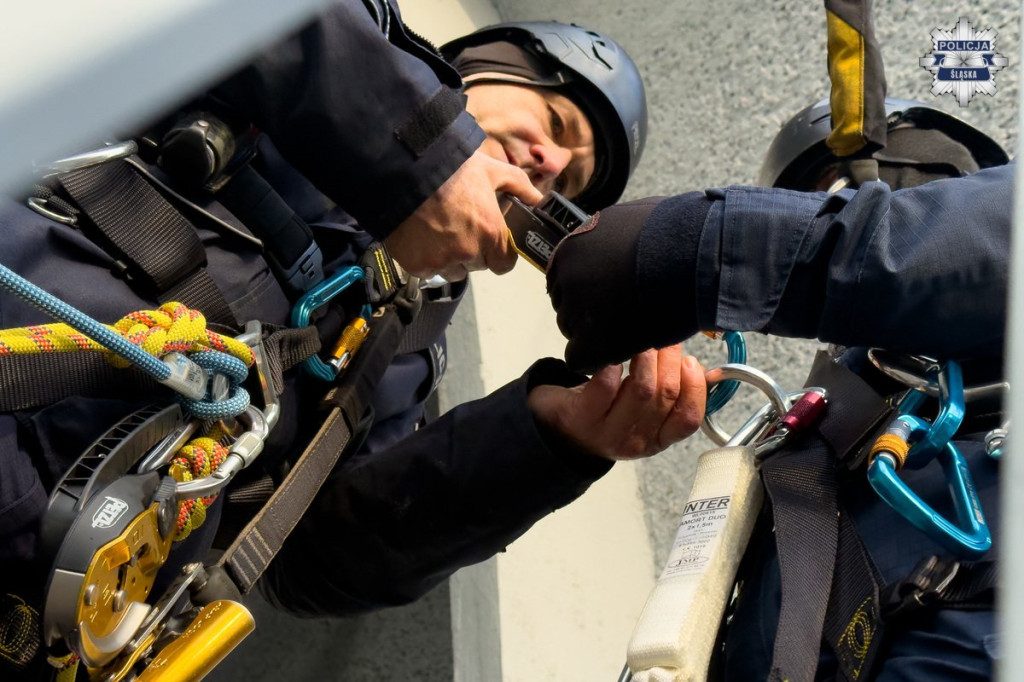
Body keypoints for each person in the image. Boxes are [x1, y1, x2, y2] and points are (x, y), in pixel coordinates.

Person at [0, 3, 704, 680]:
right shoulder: (347, 35)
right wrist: (421, 161)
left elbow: (311, 564)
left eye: (571, 181)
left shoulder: (407, 351)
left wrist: (548, 441)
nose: (550, 161)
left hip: (39, 607)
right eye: (554, 119)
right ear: (494, 65)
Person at [546, 98, 1009, 680]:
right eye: (824, 201)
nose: (846, 209)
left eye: (842, 196)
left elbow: (971, 237)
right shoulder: (822, 431)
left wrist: (708, 246)